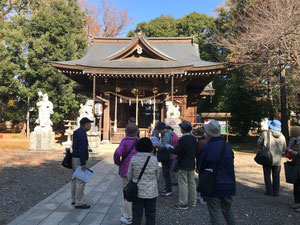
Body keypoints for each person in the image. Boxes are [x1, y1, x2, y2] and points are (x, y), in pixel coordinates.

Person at [197, 119, 236, 225]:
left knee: (215, 212)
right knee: (228, 210)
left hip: (213, 183)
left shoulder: (207, 147)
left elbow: (200, 166)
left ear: (208, 133)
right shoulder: (227, 146)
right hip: (228, 182)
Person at [128, 138, 159, 225]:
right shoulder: (154, 159)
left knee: (137, 213)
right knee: (151, 213)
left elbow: (129, 175)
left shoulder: (134, 159)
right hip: (151, 190)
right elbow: (157, 175)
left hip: (137, 191)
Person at [114, 123, 139, 224]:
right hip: (138, 170)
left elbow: (117, 153)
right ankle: (137, 213)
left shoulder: (124, 142)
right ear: (137, 131)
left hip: (126, 169)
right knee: (137, 192)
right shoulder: (139, 142)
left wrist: (118, 162)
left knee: (127, 193)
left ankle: (128, 216)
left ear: (126, 132)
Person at [170, 120, 198, 209]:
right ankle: (193, 202)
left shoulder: (182, 139)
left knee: (183, 183)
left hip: (183, 163)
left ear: (182, 129)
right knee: (192, 183)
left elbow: (176, 151)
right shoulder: (194, 139)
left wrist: (169, 148)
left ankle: (183, 203)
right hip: (191, 162)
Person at [257, 119, 287, 196]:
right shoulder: (282, 136)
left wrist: (263, 147)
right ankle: (276, 192)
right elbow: (285, 148)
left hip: (267, 158)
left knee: (267, 174)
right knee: (276, 176)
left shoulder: (265, 134)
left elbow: (259, 142)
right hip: (278, 160)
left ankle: (269, 191)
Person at [71, 117, 93, 209]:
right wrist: (83, 163)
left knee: (75, 180)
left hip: (74, 157)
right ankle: (79, 202)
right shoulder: (82, 135)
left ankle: (74, 199)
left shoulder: (77, 132)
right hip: (80, 159)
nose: (90, 125)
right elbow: (82, 149)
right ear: (84, 125)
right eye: (89, 124)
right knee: (81, 181)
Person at [154, 122, 174, 197]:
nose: (159, 132)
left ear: (162, 129)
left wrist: (157, 145)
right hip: (168, 156)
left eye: (159, 130)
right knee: (166, 174)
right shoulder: (167, 133)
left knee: (166, 174)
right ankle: (167, 188)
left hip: (167, 156)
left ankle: (168, 190)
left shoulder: (166, 135)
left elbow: (165, 145)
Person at [192, 127, 207, 205]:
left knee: (202, 180)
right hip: (207, 163)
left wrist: (197, 165)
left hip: (202, 163)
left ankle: (203, 197)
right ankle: (204, 196)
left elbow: (198, 155)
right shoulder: (207, 141)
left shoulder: (199, 143)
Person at [287, 126, 300, 212]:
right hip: (296, 165)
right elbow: (289, 149)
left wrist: (297, 153)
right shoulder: (295, 141)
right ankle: (297, 202)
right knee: (296, 184)